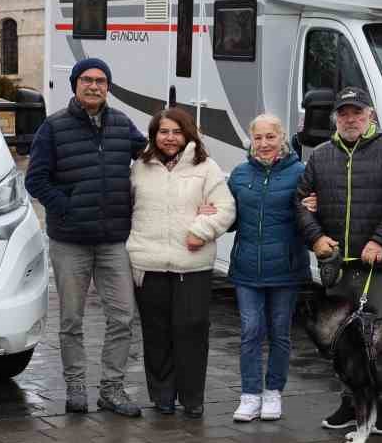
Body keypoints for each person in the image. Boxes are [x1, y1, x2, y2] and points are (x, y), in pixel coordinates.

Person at [24, 57, 147, 417]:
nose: (94, 86)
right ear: (75, 85)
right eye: (87, 80)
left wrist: (192, 160)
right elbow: (35, 180)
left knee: (122, 317)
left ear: (108, 87)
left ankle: (112, 389)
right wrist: (67, 207)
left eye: (101, 81)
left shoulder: (122, 124)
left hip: (113, 240)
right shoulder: (53, 127)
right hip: (70, 242)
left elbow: (153, 156)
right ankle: (76, 387)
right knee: (71, 321)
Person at [295, 86, 382, 434]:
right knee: (343, 341)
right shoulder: (320, 156)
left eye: (357, 112)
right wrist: (316, 238)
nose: (350, 119)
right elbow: (300, 203)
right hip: (339, 267)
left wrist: (380, 240)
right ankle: (350, 402)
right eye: (344, 113)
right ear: (336, 117)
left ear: (370, 115)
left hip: (379, 265)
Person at [125, 106, 235, 418]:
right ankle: (162, 395)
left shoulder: (206, 167)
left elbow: (225, 208)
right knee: (156, 333)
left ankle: (192, 397)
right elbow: (125, 207)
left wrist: (201, 230)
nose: (170, 138)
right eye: (164, 132)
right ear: (154, 135)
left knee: (192, 330)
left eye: (177, 132)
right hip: (148, 263)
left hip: (192, 264)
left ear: (188, 135)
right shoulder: (140, 167)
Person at [227, 114, 310, 422]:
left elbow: (310, 217)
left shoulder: (300, 173)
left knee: (279, 333)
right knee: (250, 331)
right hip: (247, 268)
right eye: (258, 138)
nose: (264, 143)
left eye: (270, 137)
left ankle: (273, 391)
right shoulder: (239, 174)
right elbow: (229, 218)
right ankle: (250, 395)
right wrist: (210, 210)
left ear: (282, 138)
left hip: (285, 268)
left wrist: (314, 208)